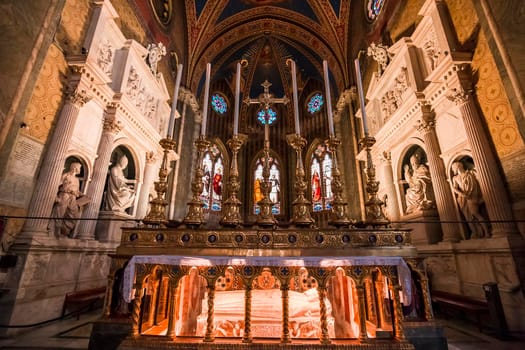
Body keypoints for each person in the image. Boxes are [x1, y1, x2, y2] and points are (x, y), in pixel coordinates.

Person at [49, 162, 89, 238]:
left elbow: (76, 190)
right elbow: (56, 184)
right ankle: (55, 231)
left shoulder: (77, 179)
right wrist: (55, 196)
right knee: (59, 214)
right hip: (65, 195)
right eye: (79, 167)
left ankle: (65, 232)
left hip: (73, 198)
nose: (79, 169)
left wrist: (82, 195)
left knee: (73, 215)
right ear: (74, 167)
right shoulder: (66, 175)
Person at [451, 161, 490, 238]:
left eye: (453, 168)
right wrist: (461, 193)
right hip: (463, 198)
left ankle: (486, 232)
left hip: (471, 196)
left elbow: (476, 183)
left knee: (475, 214)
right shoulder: (455, 178)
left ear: (458, 166)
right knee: (469, 217)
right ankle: (476, 232)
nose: (453, 170)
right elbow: (454, 188)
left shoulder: (470, 173)